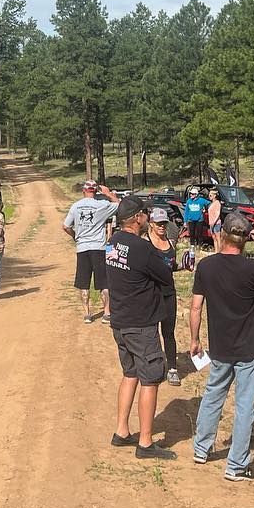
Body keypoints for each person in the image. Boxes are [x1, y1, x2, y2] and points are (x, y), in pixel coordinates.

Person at [190, 212, 254, 481]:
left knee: (212, 396)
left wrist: (195, 339)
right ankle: (236, 465)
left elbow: (196, 306)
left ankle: (201, 448)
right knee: (245, 406)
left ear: (221, 235)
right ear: (245, 240)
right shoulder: (253, 268)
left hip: (220, 345)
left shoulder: (206, 267)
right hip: (248, 346)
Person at [105, 195, 177, 460]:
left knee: (130, 374)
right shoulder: (142, 248)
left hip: (120, 321)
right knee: (150, 379)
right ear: (136, 218)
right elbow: (165, 275)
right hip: (141, 323)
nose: (147, 217)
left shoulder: (111, 243)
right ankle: (145, 442)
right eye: (145, 213)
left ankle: (121, 431)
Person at [64, 180, 120, 324]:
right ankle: (107, 313)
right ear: (95, 191)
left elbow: (65, 226)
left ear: (83, 191)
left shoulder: (75, 206)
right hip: (99, 247)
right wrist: (108, 194)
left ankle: (87, 314)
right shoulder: (102, 205)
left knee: (83, 283)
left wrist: (75, 236)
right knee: (104, 282)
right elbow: (121, 205)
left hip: (82, 248)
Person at [147, 205, 181, 385]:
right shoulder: (145, 242)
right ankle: (153, 367)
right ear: (151, 223)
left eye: (164, 223)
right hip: (151, 293)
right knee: (151, 332)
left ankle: (173, 368)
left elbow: (171, 266)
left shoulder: (170, 241)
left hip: (169, 292)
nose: (162, 226)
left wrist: (183, 265)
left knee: (168, 331)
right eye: (158, 223)